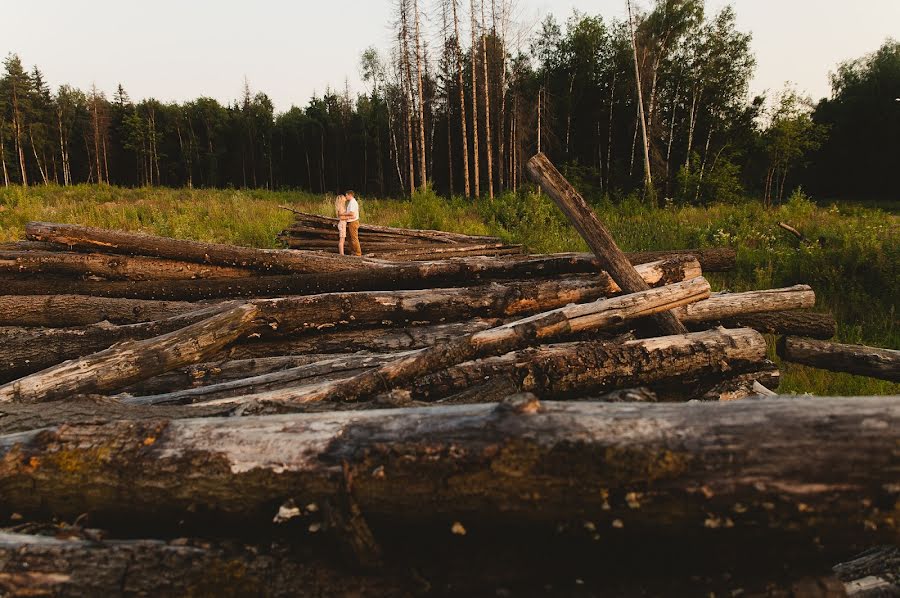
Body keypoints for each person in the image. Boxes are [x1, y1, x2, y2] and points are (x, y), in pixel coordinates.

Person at [341, 190, 362, 256]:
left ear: (350, 195)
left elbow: (351, 213)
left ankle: (358, 253)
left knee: (354, 238)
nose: (345, 196)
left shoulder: (353, 202)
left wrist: (343, 214)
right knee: (349, 238)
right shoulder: (351, 202)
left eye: (346, 195)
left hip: (353, 222)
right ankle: (353, 251)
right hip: (351, 222)